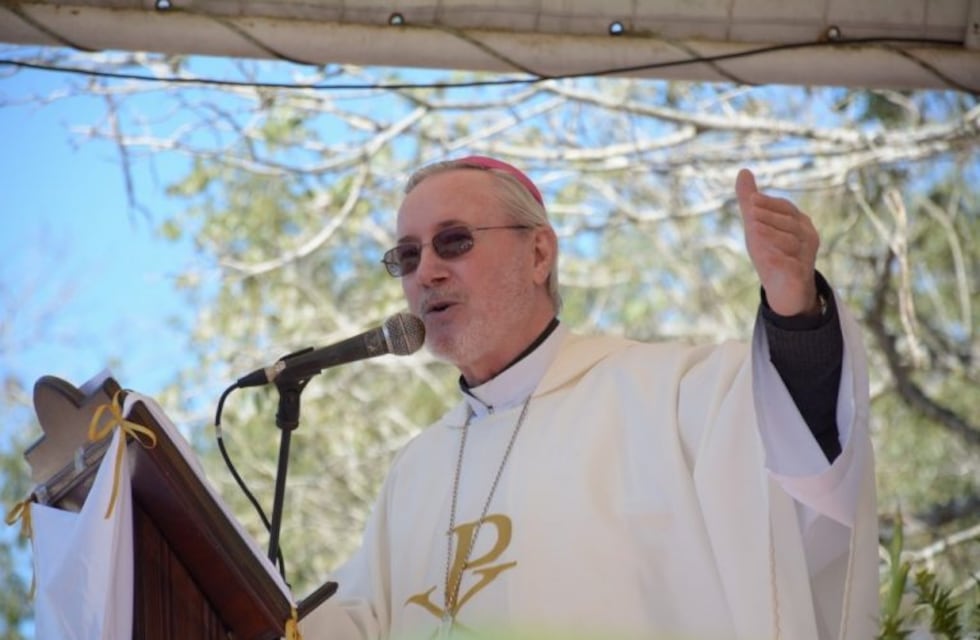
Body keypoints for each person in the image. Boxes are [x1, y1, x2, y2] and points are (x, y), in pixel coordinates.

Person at [301, 156, 879, 640]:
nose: (426, 271)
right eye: (407, 256)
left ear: (538, 255)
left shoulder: (670, 394)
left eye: (453, 242)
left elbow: (801, 451)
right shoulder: (416, 470)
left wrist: (794, 313)